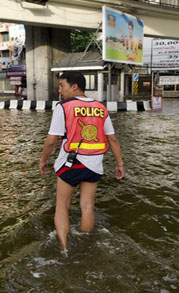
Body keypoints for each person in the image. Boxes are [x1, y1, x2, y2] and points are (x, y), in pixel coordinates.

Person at [39, 71, 124, 251]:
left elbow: (51, 141)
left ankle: (64, 250)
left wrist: (43, 160)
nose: (59, 90)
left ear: (74, 86)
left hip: (70, 163)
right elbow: (113, 139)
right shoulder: (101, 108)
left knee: (62, 207)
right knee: (87, 207)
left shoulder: (64, 107)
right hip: (94, 166)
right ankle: (85, 245)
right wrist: (120, 164)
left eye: (62, 85)